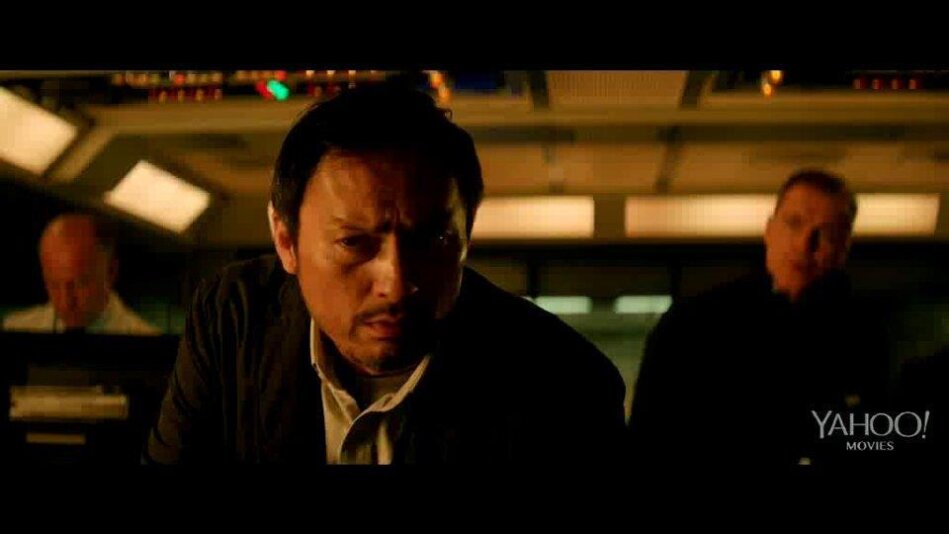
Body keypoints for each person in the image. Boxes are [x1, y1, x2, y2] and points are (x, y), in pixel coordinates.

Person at [146, 82, 626, 464]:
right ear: (286, 241)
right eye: (354, 243)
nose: (396, 284)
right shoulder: (233, 320)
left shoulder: (564, 384)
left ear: (467, 235)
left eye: (432, 241)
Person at [628, 169, 890, 469]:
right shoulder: (692, 324)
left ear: (844, 248)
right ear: (769, 230)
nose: (804, 244)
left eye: (826, 234)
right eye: (794, 223)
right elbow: (646, 445)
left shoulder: (863, 334)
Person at [3, 213, 159, 335]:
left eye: (79, 284)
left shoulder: (151, 348)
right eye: (54, 285)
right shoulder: (12, 329)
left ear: (111, 272)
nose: (66, 302)